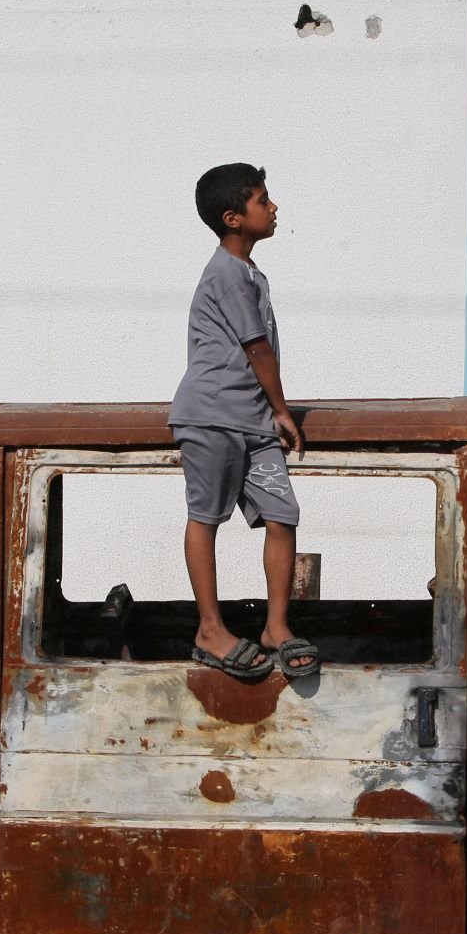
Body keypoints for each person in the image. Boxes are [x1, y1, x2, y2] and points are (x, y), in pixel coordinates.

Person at [167, 163, 317, 681]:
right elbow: (257, 348)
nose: (273, 208)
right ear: (233, 217)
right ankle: (210, 628)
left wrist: (269, 412)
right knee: (206, 518)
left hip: (253, 420)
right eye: (262, 200)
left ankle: (276, 626)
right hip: (212, 415)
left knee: (283, 514)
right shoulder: (227, 274)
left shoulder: (251, 273)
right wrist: (282, 409)